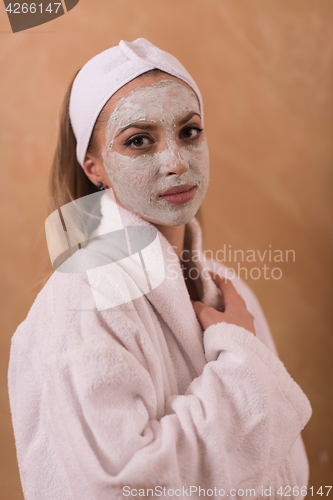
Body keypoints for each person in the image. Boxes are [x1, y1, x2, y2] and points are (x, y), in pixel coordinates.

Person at [8, 38, 312, 500]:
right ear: (94, 168)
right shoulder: (83, 298)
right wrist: (244, 364)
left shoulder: (230, 290)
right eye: (138, 140)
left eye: (189, 131)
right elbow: (123, 486)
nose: (176, 162)